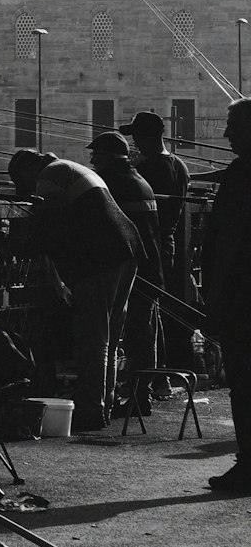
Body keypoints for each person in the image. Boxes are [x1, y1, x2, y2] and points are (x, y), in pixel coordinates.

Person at [8, 147, 141, 433]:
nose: (27, 190)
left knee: (92, 336)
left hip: (100, 257)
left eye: (22, 181)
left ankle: (90, 409)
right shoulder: (71, 168)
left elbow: (46, 225)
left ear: (30, 168)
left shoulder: (50, 175)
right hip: (126, 248)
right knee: (110, 335)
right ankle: (103, 403)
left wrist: (17, 246)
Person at [86, 131, 164, 415]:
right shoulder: (139, 180)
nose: (93, 162)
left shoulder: (111, 184)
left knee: (131, 334)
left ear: (108, 158)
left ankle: (134, 397)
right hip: (150, 266)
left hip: (131, 267)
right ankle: (141, 394)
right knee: (143, 333)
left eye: (97, 156)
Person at [200, 98, 251, 493]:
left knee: (244, 381)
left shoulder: (241, 175)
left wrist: (215, 296)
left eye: (233, 124)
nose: (226, 133)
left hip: (241, 296)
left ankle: (247, 465)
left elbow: (230, 243)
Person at [121, 111, 191, 366]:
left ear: (143, 136)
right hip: (167, 245)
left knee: (139, 316)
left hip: (146, 246)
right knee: (151, 309)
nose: (134, 143)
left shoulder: (144, 169)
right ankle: (158, 369)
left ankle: (145, 376)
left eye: (136, 137)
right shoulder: (180, 166)